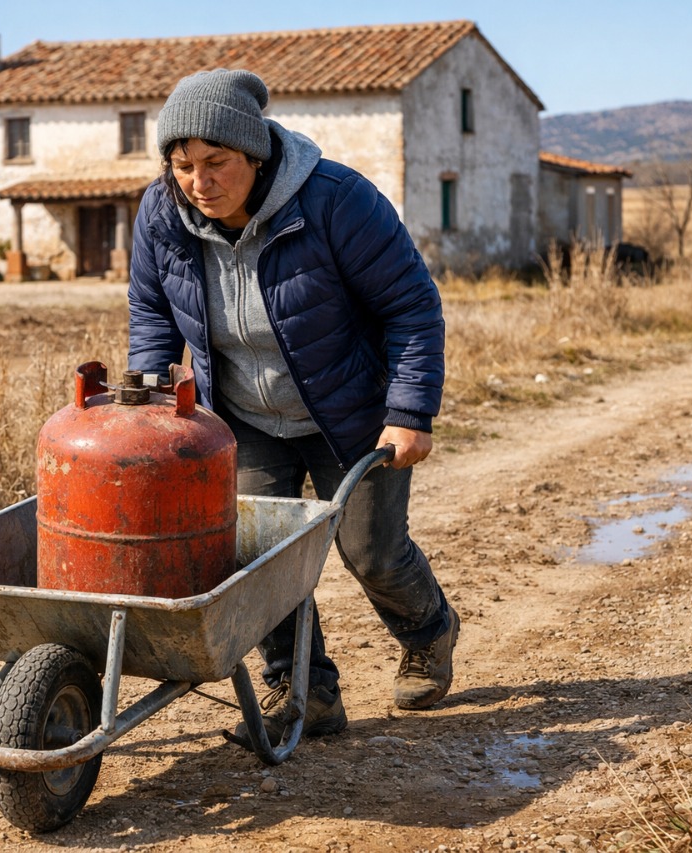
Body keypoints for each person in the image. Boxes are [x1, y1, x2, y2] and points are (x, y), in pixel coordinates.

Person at [127, 68, 458, 746]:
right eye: (183, 165)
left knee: (372, 552)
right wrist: (152, 395)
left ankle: (429, 634)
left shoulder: (336, 200)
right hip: (245, 416)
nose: (198, 181)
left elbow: (412, 307)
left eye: (215, 162)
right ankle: (303, 690)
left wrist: (411, 411)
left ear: (255, 152)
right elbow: (152, 310)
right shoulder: (161, 213)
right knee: (259, 559)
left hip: (352, 412)